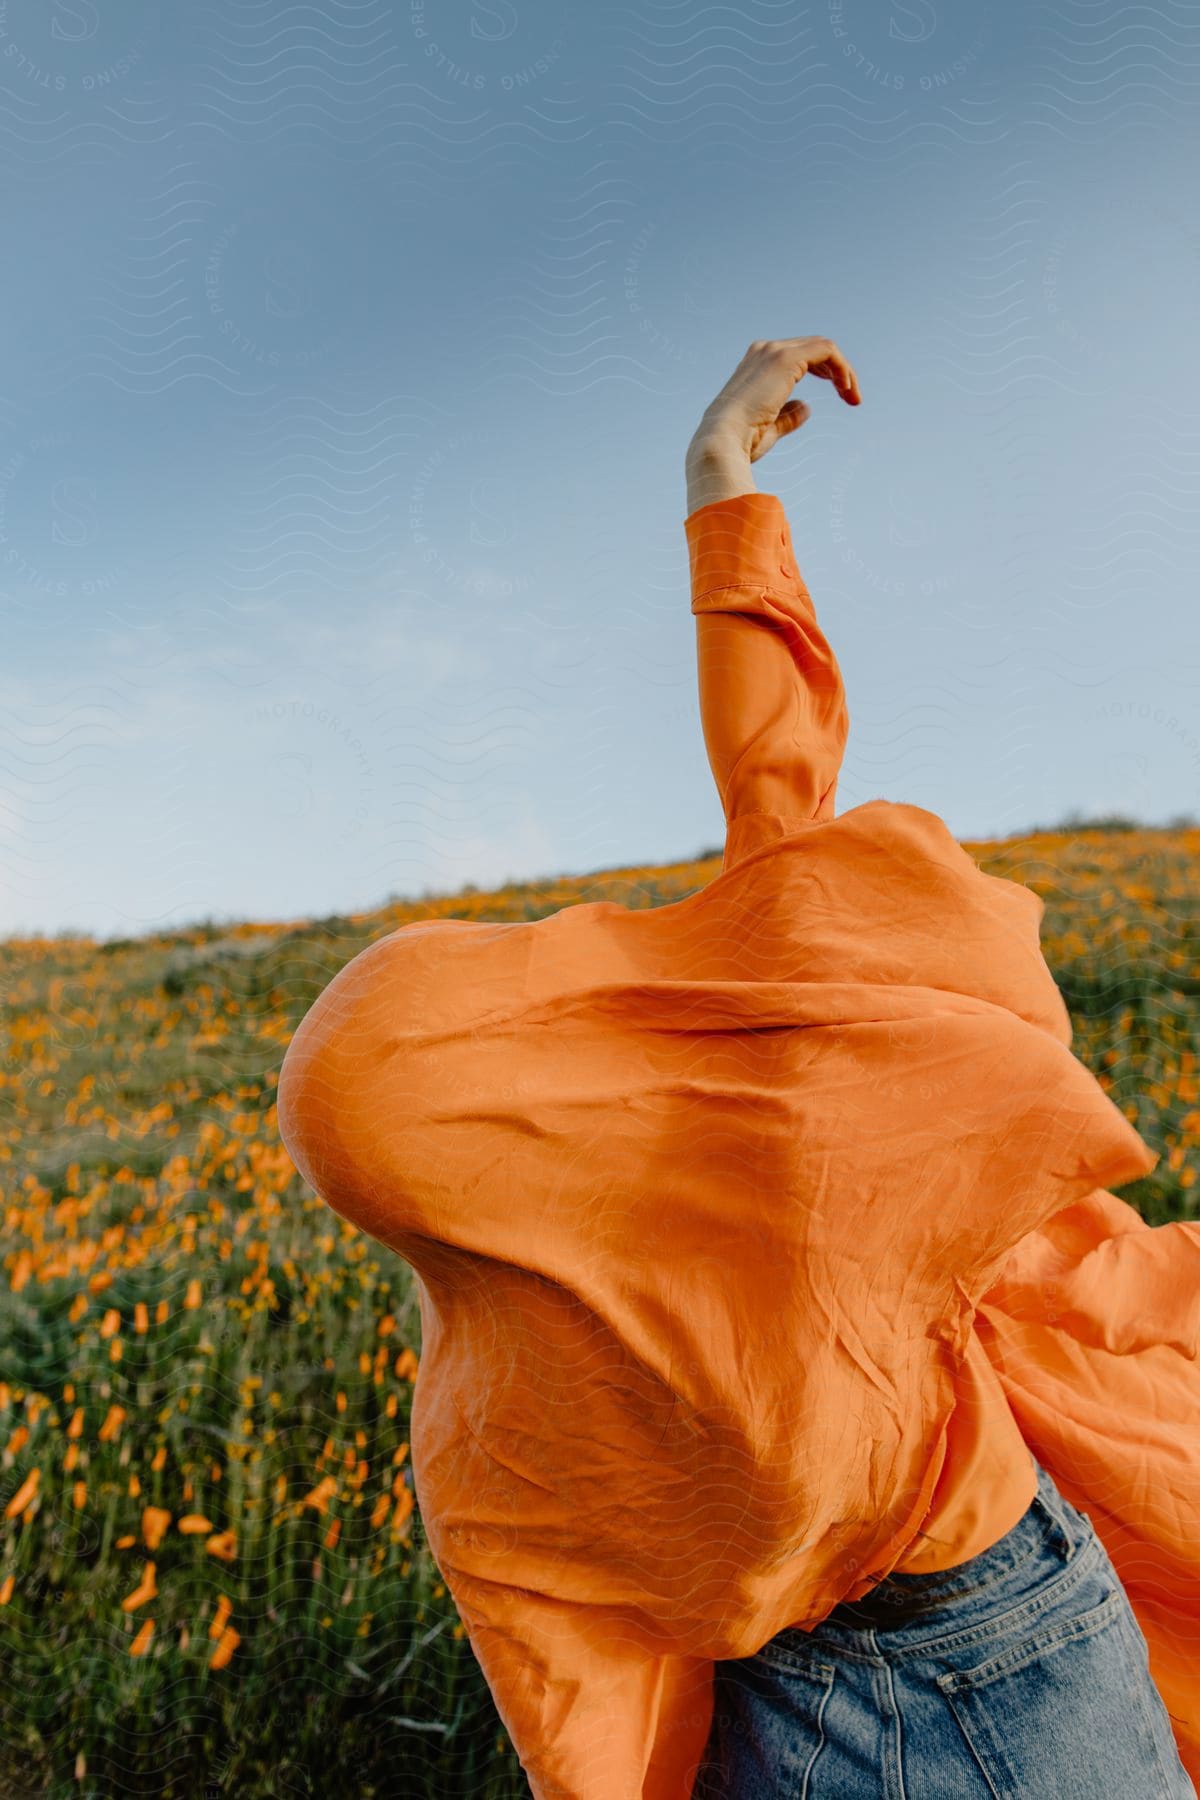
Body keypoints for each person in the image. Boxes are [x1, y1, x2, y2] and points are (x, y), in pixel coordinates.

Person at [277, 337, 1200, 1799]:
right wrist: (717, 491)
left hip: (839, 1682)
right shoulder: (793, 1102)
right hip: (996, 1646)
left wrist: (723, 494)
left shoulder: (499, 1397)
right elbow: (785, 805)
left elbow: (563, 1674)